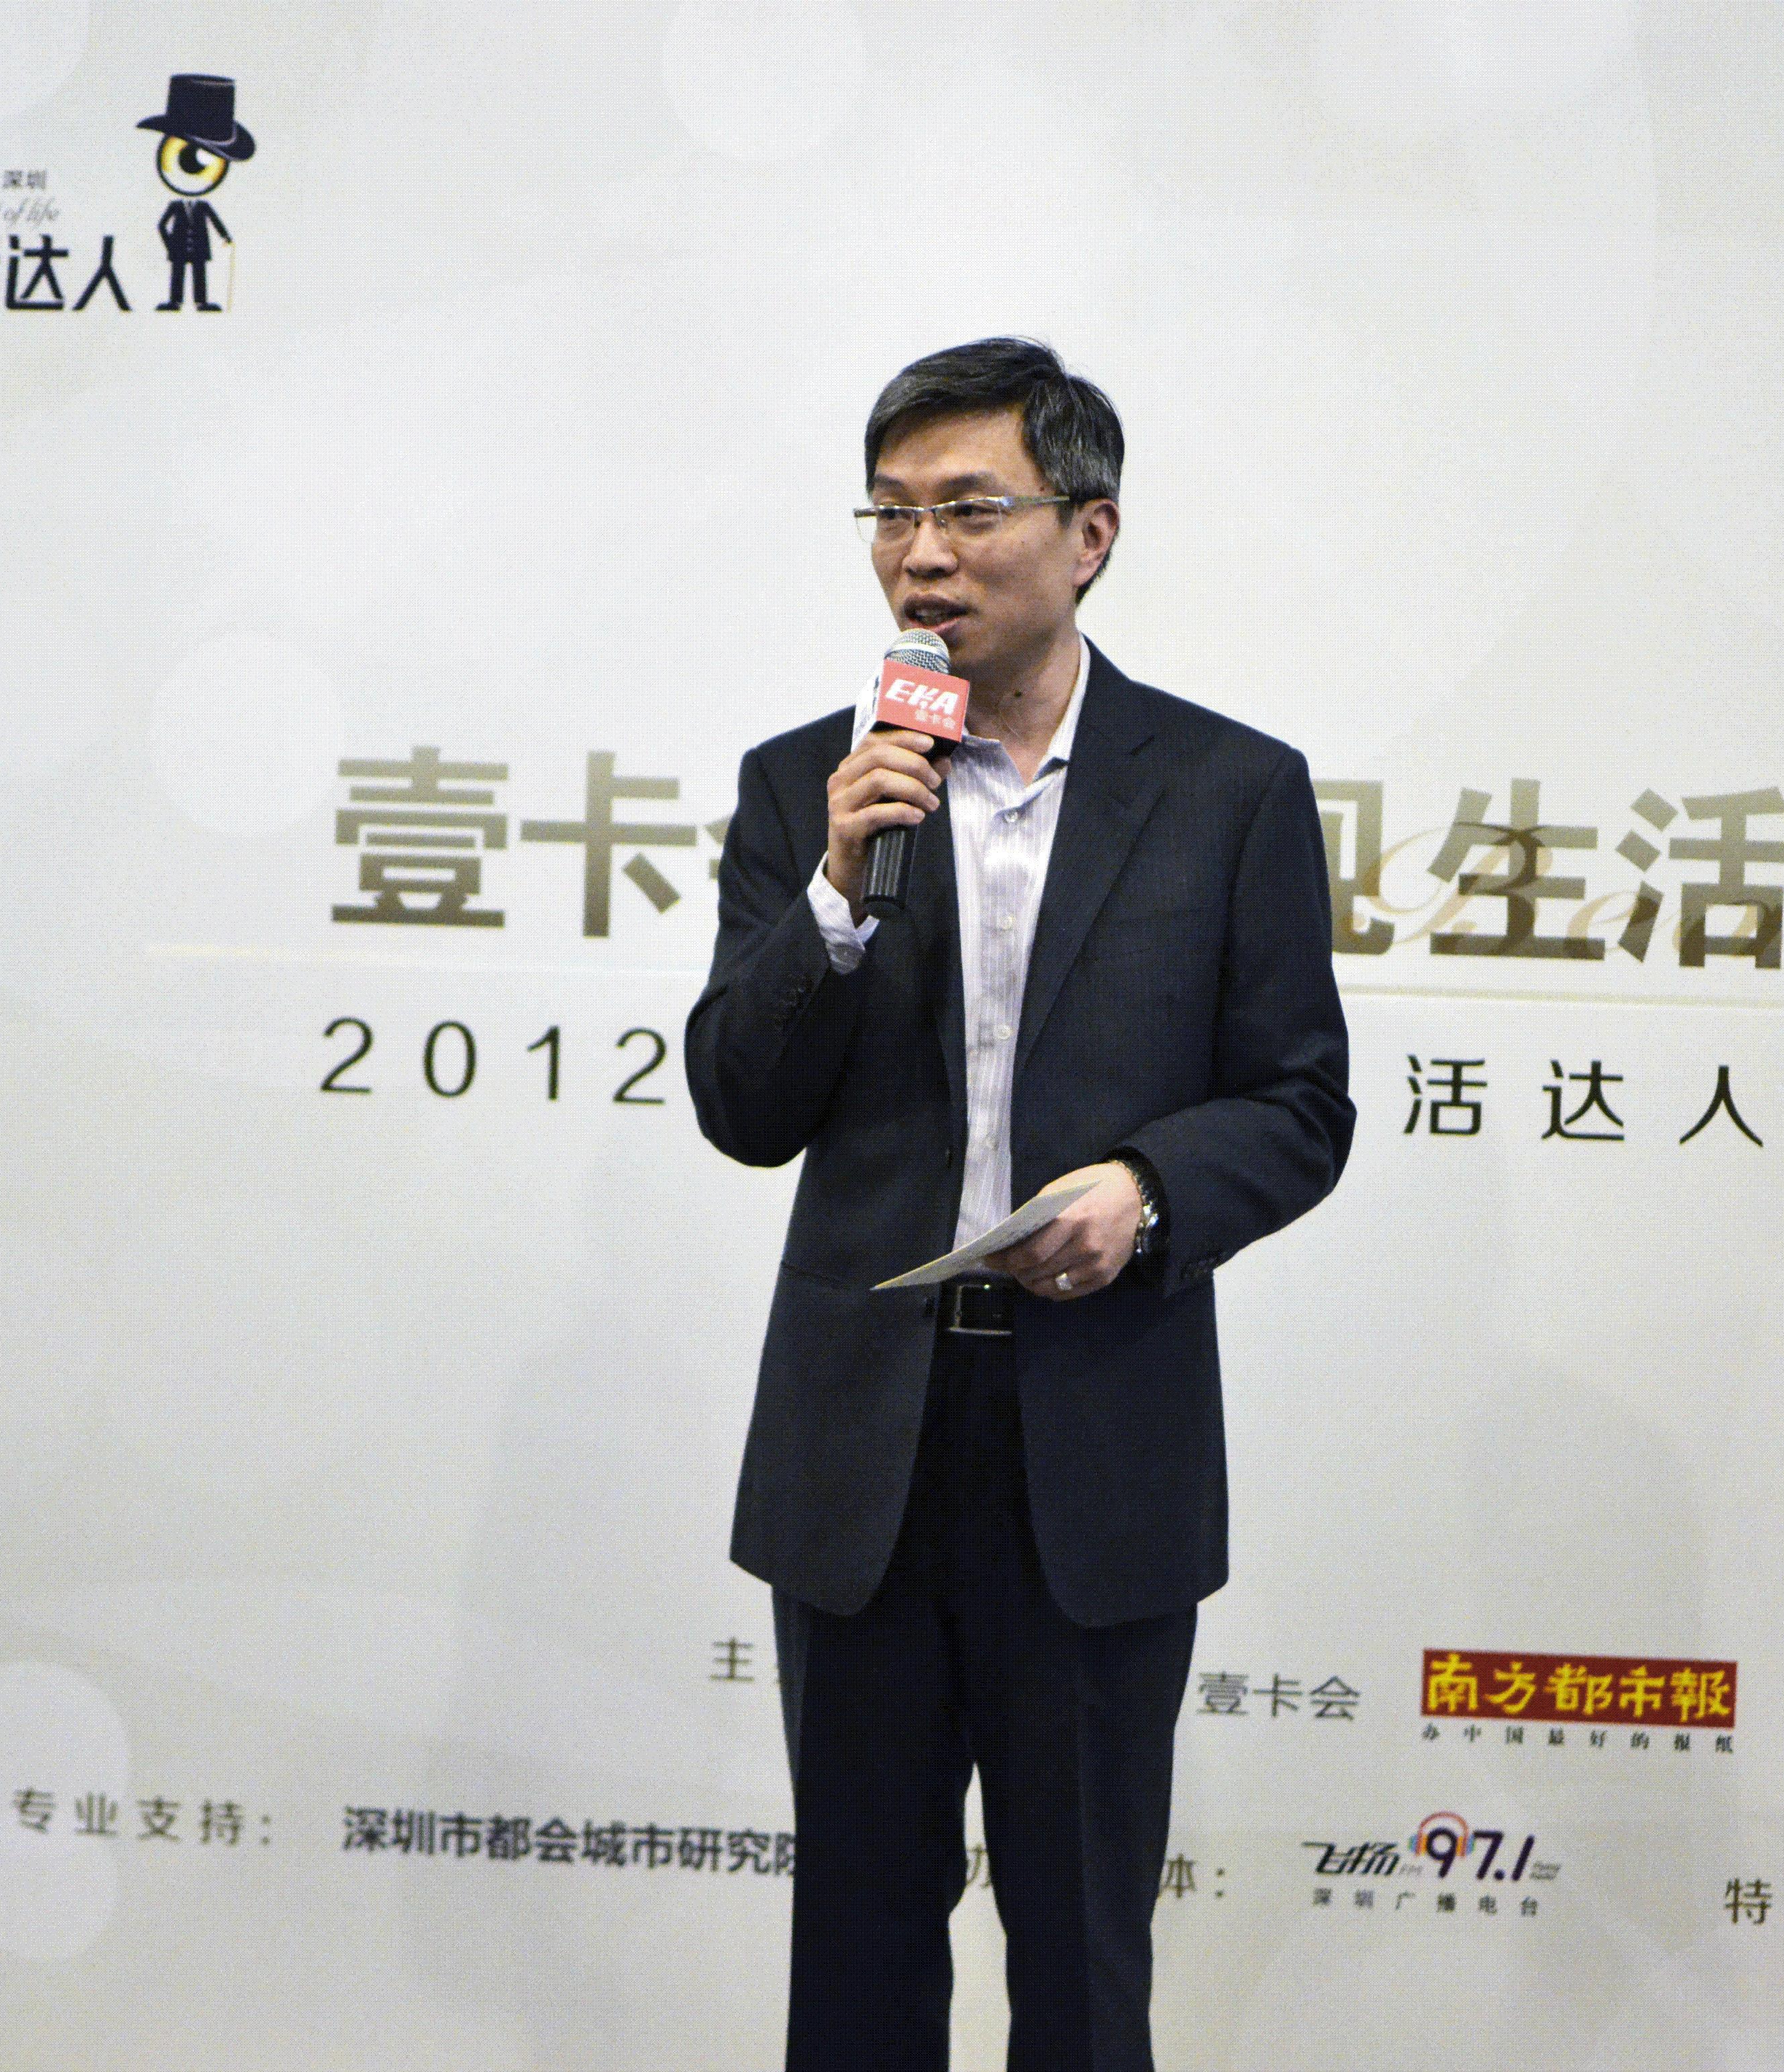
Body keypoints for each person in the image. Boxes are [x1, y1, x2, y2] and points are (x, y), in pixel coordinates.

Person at [685, 337, 1354, 2071]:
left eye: (971, 510)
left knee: (1081, 1958)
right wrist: (836, 895)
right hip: (864, 1453)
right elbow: (743, 1107)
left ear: (1090, 532)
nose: (922, 556)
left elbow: (1302, 1104)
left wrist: (1148, 1188)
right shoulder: (806, 788)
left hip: (1095, 1438)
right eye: (890, 515)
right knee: (857, 1950)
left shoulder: (1228, 792)